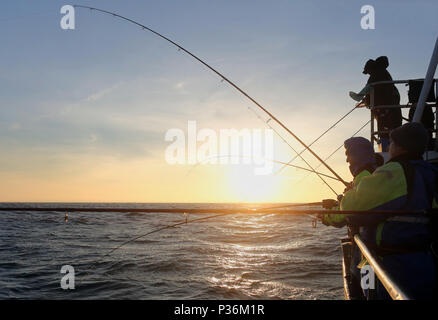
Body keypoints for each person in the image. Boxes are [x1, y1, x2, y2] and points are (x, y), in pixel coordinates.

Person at [322, 123, 438, 299]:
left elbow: (351, 207)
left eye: (391, 143)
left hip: (392, 264)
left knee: (371, 291)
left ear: (399, 146)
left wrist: (344, 199)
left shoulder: (395, 172)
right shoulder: (431, 172)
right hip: (424, 262)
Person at [350, 56, 402, 151]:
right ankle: (390, 147)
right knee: (392, 130)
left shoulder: (376, 75)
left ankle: (388, 149)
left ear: (370, 68)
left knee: (385, 131)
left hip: (385, 109)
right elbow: (378, 92)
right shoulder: (383, 74)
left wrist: (365, 100)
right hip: (390, 107)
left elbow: (372, 89)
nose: (368, 74)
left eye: (368, 71)